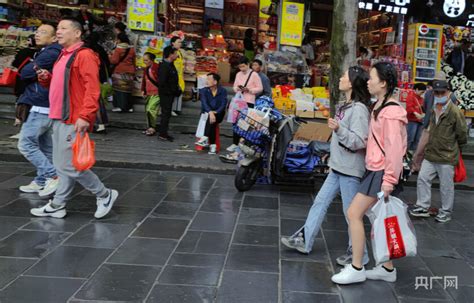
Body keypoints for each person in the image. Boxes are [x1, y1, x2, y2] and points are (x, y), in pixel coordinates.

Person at [281, 66, 371, 267]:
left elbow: (359, 141)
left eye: (344, 76)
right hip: (338, 166)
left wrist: (339, 129)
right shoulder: (346, 105)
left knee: (352, 214)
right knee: (319, 203)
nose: (340, 78)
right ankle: (305, 240)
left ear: (352, 82)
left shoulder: (358, 110)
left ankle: (359, 253)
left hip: (349, 170)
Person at [31, 16, 118, 219]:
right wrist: (47, 80)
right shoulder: (64, 54)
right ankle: (58, 204)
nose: (58, 31)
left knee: (68, 165)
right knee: (63, 165)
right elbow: (65, 85)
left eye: (63, 28)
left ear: (77, 33)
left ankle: (104, 194)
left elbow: (92, 88)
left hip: (72, 117)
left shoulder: (84, 55)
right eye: (57, 28)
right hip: (60, 116)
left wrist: (86, 115)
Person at [332, 62, 407, 285]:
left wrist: (388, 181)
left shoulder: (391, 112)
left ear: (383, 83)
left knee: (354, 213)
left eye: (372, 77)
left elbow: (394, 149)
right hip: (375, 169)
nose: (367, 81)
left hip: (382, 172)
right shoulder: (379, 106)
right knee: (376, 218)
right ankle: (386, 267)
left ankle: (356, 267)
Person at [409, 79, 468, 223]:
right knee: (423, 178)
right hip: (431, 153)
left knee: (446, 186)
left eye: (442, 92)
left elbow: (462, 134)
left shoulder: (454, 111)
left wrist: (453, 148)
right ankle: (423, 206)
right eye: (437, 92)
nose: (440, 94)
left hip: (446, 155)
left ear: (448, 93)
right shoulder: (433, 108)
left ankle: (446, 211)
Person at [17, 23, 62, 197]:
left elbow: (26, 72)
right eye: (37, 31)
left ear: (53, 38)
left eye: (43, 32)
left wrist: (31, 66)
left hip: (40, 105)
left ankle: (53, 175)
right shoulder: (48, 52)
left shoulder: (50, 52)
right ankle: (41, 181)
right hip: (46, 104)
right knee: (45, 147)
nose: (37, 34)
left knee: (26, 144)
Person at [226, 56, 262, 153]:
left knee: (245, 124)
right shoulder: (238, 74)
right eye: (240, 67)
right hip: (238, 100)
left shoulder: (254, 74)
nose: (242, 69)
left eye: (243, 67)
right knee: (235, 122)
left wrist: (249, 90)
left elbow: (260, 88)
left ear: (248, 64)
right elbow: (234, 86)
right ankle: (235, 143)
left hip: (249, 101)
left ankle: (243, 144)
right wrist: (237, 88)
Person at [196, 73, 228, 154]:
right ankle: (213, 146)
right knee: (211, 121)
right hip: (207, 112)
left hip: (219, 113)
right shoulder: (203, 90)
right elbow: (204, 103)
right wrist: (210, 112)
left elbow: (223, 104)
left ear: (215, 82)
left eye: (209, 79)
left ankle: (205, 138)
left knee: (212, 118)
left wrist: (215, 112)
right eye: (207, 79)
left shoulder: (222, 91)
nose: (206, 81)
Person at [85, 32, 110, 133]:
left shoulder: (85, 50)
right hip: (98, 77)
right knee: (97, 101)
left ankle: (97, 123)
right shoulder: (99, 49)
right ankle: (101, 124)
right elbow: (106, 62)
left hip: (87, 78)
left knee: (91, 101)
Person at [158, 46, 181, 142]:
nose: (177, 55)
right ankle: (163, 134)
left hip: (170, 94)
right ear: (170, 54)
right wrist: (170, 91)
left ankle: (164, 132)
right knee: (165, 114)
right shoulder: (164, 66)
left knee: (167, 114)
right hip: (166, 94)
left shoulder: (171, 64)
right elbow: (162, 82)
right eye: (175, 53)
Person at [109, 32, 136, 113]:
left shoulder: (118, 49)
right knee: (128, 90)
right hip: (130, 71)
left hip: (120, 71)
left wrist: (109, 56)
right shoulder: (131, 49)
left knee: (119, 90)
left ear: (119, 40)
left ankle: (120, 106)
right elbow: (134, 61)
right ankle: (129, 107)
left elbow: (114, 61)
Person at [12, 34, 37, 98]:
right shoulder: (40, 52)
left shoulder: (23, 51)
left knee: (20, 95)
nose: (27, 42)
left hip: (21, 76)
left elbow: (15, 63)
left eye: (28, 40)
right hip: (34, 78)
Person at [141, 52, 160, 136]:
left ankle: (152, 127)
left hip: (157, 92)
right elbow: (144, 80)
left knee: (151, 109)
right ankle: (150, 127)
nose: (145, 62)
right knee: (148, 110)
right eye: (144, 60)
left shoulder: (157, 67)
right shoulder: (146, 69)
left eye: (146, 60)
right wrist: (143, 90)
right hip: (148, 92)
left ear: (151, 60)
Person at [406, 83, 426, 152]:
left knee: (417, 139)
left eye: (423, 92)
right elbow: (409, 107)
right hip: (412, 120)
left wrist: (423, 114)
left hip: (420, 121)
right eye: (421, 92)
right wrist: (416, 113)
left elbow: (423, 108)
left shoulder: (421, 98)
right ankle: (405, 154)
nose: (422, 93)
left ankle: (412, 154)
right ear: (417, 89)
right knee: (410, 138)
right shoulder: (410, 96)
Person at [170, 36, 185, 116]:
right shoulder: (170, 52)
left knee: (178, 93)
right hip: (173, 76)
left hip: (179, 76)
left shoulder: (179, 52)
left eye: (180, 42)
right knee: (172, 93)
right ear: (173, 43)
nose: (180, 44)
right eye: (178, 42)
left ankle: (176, 109)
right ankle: (171, 109)